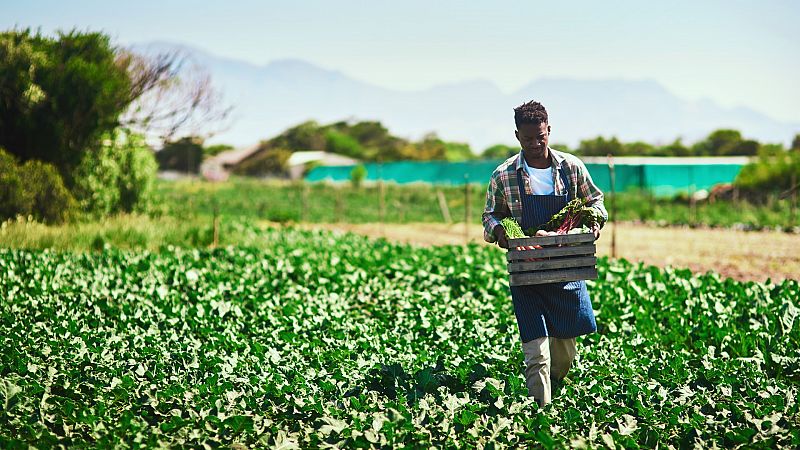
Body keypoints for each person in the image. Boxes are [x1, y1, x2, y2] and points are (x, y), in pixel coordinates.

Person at [482, 100, 608, 406]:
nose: (536, 144)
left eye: (541, 136)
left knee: (564, 353)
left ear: (548, 130)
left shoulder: (572, 167)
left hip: (566, 268)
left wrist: (593, 223)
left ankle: (556, 384)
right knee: (536, 352)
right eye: (528, 139)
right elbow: (490, 215)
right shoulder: (504, 175)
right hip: (527, 271)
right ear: (517, 136)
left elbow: (596, 202)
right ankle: (541, 413)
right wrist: (500, 231)